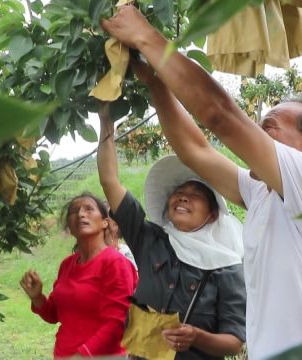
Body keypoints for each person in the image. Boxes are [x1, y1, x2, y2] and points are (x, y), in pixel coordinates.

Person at [102, 6, 302, 359]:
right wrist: (155, 83)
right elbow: (194, 150)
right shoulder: (264, 193)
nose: (257, 140)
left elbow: (220, 114)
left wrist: (145, 34)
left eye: (270, 128)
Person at [97, 104, 246, 360]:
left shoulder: (227, 265)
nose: (184, 198)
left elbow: (234, 342)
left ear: (212, 214)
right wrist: (106, 123)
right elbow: (110, 181)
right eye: (179, 193)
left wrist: (197, 337)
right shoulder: (150, 239)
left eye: (196, 195)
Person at [19, 193, 138, 358]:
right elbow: (55, 315)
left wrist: (82, 355)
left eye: (89, 209)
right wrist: (37, 297)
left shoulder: (116, 263)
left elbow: (117, 323)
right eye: (74, 211)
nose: (81, 214)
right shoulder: (67, 265)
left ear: (104, 222)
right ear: (69, 225)